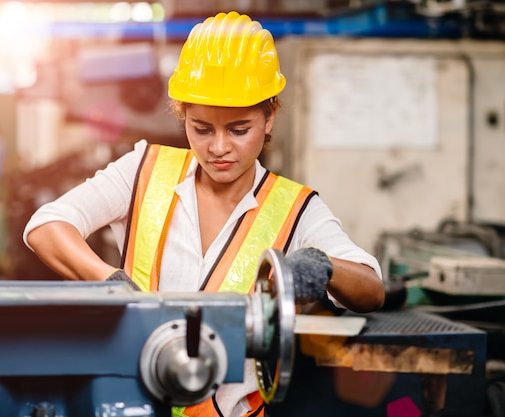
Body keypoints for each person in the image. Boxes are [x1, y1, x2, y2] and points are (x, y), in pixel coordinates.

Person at [23, 10, 385, 417]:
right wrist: (111, 283)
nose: (218, 148)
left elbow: (371, 290)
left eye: (238, 129)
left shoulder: (296, 209)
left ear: (269, 118)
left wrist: (323, 265)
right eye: (201, 128)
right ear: (182, 116)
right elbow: (47, 226)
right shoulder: (143, 170)